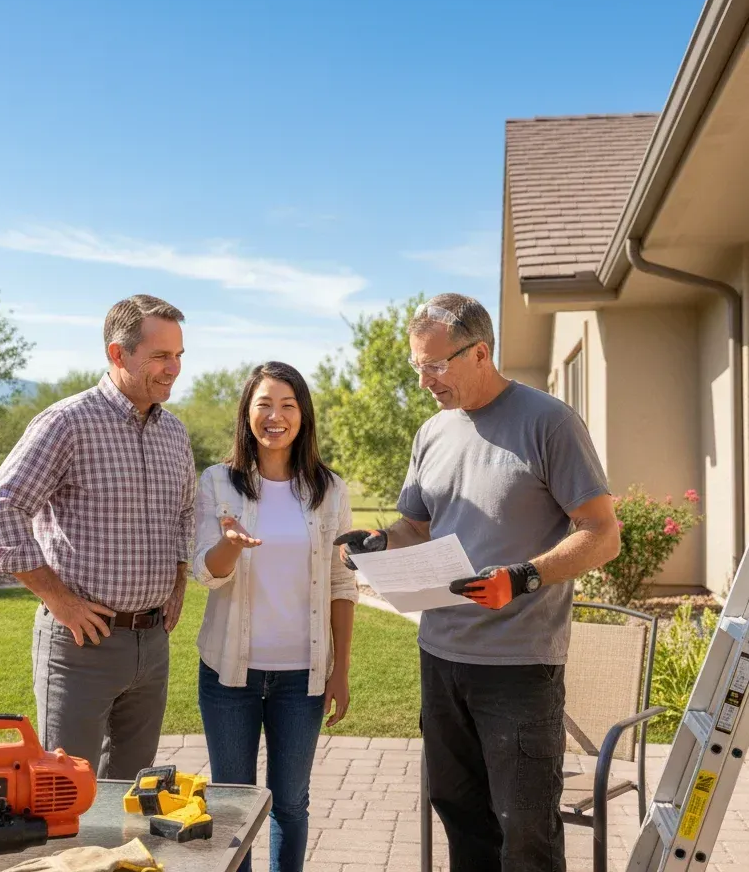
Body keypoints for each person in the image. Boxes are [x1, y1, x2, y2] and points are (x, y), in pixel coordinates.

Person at [334, 293, 621, 872]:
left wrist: (523, 577)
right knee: (460, 814)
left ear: (481, 352)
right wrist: (376, 543)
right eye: (418, 366)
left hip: (518, 667)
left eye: (435, 365)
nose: (424, 380)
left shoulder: (549, 421)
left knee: (526, 835)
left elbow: (602, 533)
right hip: (440, 657)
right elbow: (416, 527)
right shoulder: (433, 433)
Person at [0, 294, 196, 782]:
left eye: (179, 355)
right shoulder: (66, 423)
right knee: (63, 792)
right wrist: (61, 602)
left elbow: (185, 515)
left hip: (152, 645)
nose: (174, 368)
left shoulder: (174, 434)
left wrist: (178, 582)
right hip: (81, 646)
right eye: (161, 355)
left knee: (132, 794)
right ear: (119, 354)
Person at [191, 361, 358, 872]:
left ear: (303, 416)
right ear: (247, 413)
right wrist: (229, 544)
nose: (275, 416)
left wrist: (341, 669)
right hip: (228, 676)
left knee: (290, 803)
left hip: (301, 680)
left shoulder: (330, 489)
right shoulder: (218, 482)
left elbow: (341, 582)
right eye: (264, 404)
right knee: (231, 806)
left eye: (288, 405)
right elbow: (206, 572)